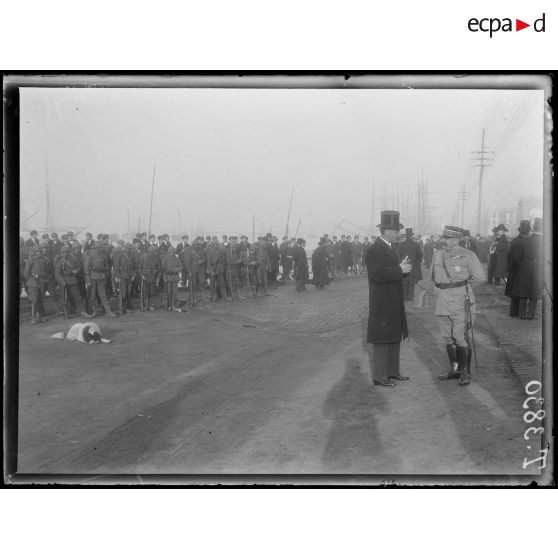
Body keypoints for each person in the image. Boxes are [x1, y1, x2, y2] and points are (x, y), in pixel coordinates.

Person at [432, 226, 485, 386]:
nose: (444, 241)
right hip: (441, 300)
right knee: (448, 337)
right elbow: (433, 276)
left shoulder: (468, 255)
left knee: (460, 337)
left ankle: (465, 372)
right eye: (444, 238)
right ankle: (455, 370)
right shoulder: (437, 254)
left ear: (457, 240)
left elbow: (480, 278)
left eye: (447, 239)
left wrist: (463, 289)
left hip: (461, 301)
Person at [366, 210, 411, 387]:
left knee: (394, 336)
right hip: (382, 302)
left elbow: (392, 272)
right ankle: (379, 376)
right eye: (396, 230)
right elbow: (377, 275)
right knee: (382, 339)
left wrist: (404, 270)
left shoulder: (390, 247)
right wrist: (400, 270)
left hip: (392, 300)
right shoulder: (374, 249)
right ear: (386, 231)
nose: (399, 233)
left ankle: (392, 372)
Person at [511, 218, 543, 319]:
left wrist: (524, 263)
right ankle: (531, 315)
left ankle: (521, 314)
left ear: (533, 228)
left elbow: (517, 255)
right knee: (534, 292)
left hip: (525, 268)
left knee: (523, 291)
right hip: (538, 268)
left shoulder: (526, 240)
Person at [55, 245, 92, 318]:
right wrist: (63, 282)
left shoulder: (73, 259)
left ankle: (83, 312)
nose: (63, 254)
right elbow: (57, 274)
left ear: (68, 252)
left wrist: (76, 270)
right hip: (64, 282)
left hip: (73, 281)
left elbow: (79, 267)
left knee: (78, 297)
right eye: (62, 252)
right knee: (65, 299)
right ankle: (67, 313)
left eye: (65, 252)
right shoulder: (59, 261)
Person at [83, 241, 117, 317]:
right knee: (93, 296)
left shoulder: (103, 256)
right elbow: (86, 270)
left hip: (101, 278)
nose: (99, 249)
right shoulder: (89, 256)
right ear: (94, 248)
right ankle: (93, 311)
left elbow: (107, 268)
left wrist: (106, 276)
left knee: (103, 296)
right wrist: (88, 281)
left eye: (100, 248)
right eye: (98, 248)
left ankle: (108, 312)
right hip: (92, 278)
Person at [505, 220, 531, 317]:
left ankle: (513, 312)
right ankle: (519, 312)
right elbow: (517, 257)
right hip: (520, 269)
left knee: (514, 292)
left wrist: (509, 267)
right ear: (527, 231)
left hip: (513, 269)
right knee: (521, 291)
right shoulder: (525, 241)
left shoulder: (515, 240)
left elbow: (509, 255)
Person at [24, 246, 48, 324]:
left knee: (40, 300)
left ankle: (40, 316)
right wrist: (32, 277)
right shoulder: (30, 261)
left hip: (41, 282)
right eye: (37, 252)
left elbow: (45, 270)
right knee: (34, 301)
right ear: (33, 253)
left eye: (40, 252)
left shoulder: (43, 260)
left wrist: (42, 275)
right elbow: (26, 273)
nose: (39, 253)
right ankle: (33, 318)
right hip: (33, 283)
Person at [398, 227, 423, 302]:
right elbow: (420, 256)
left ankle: (405, 299)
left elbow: (399, 257)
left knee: (404, 284)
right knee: (412, 285)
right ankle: (411, 299)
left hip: (404, 268)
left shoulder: (401, 245)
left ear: (406, 236)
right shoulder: (416, 245)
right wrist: (416, 262)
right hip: (413, 268)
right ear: (411, 236)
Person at [138, 245, 162, 311]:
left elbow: (159, 270)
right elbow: (139, 268)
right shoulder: (142, 257)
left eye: (155, 252)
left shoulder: (156, 259)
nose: (155, 254)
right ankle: (145, 306)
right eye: (154, 252)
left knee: (151, 292)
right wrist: (142, 275)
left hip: (152, 278)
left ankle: (149, 305)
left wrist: (158, 279)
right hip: (144, 278)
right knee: (145, 292)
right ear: (150, 252)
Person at [161, 245, 183, 311]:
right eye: (171, 252)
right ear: (168, 252)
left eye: (173, 252)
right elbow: (162, 269)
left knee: (174, 292)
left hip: (175, 277)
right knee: (168, 292)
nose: (172, 253)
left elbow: (181, 266)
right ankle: (168, 306)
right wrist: (164, 277)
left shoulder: (176, 258)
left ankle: (172, 305)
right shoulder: (165, 258)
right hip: (168, 277)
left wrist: (175, 269)